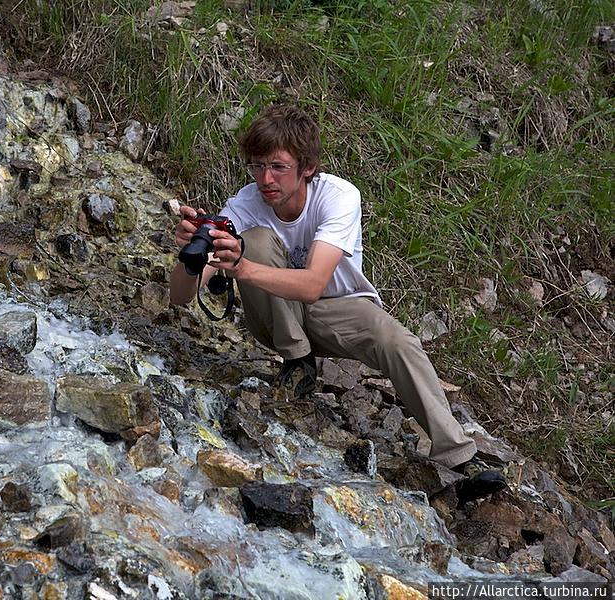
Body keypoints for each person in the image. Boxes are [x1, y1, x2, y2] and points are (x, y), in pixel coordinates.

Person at [169, 103, 505, 504]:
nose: (265, 179)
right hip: (275, 319)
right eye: (257, 166)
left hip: (337, 308)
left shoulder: (338, 197)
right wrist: (193, 254)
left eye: (278, 167)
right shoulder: (243, 206)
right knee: (254, 239)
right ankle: (299, 365)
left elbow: (313, 285)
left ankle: (458, 455)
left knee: (398, 342)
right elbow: (179, 297)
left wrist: (241, 268)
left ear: (307, 167)